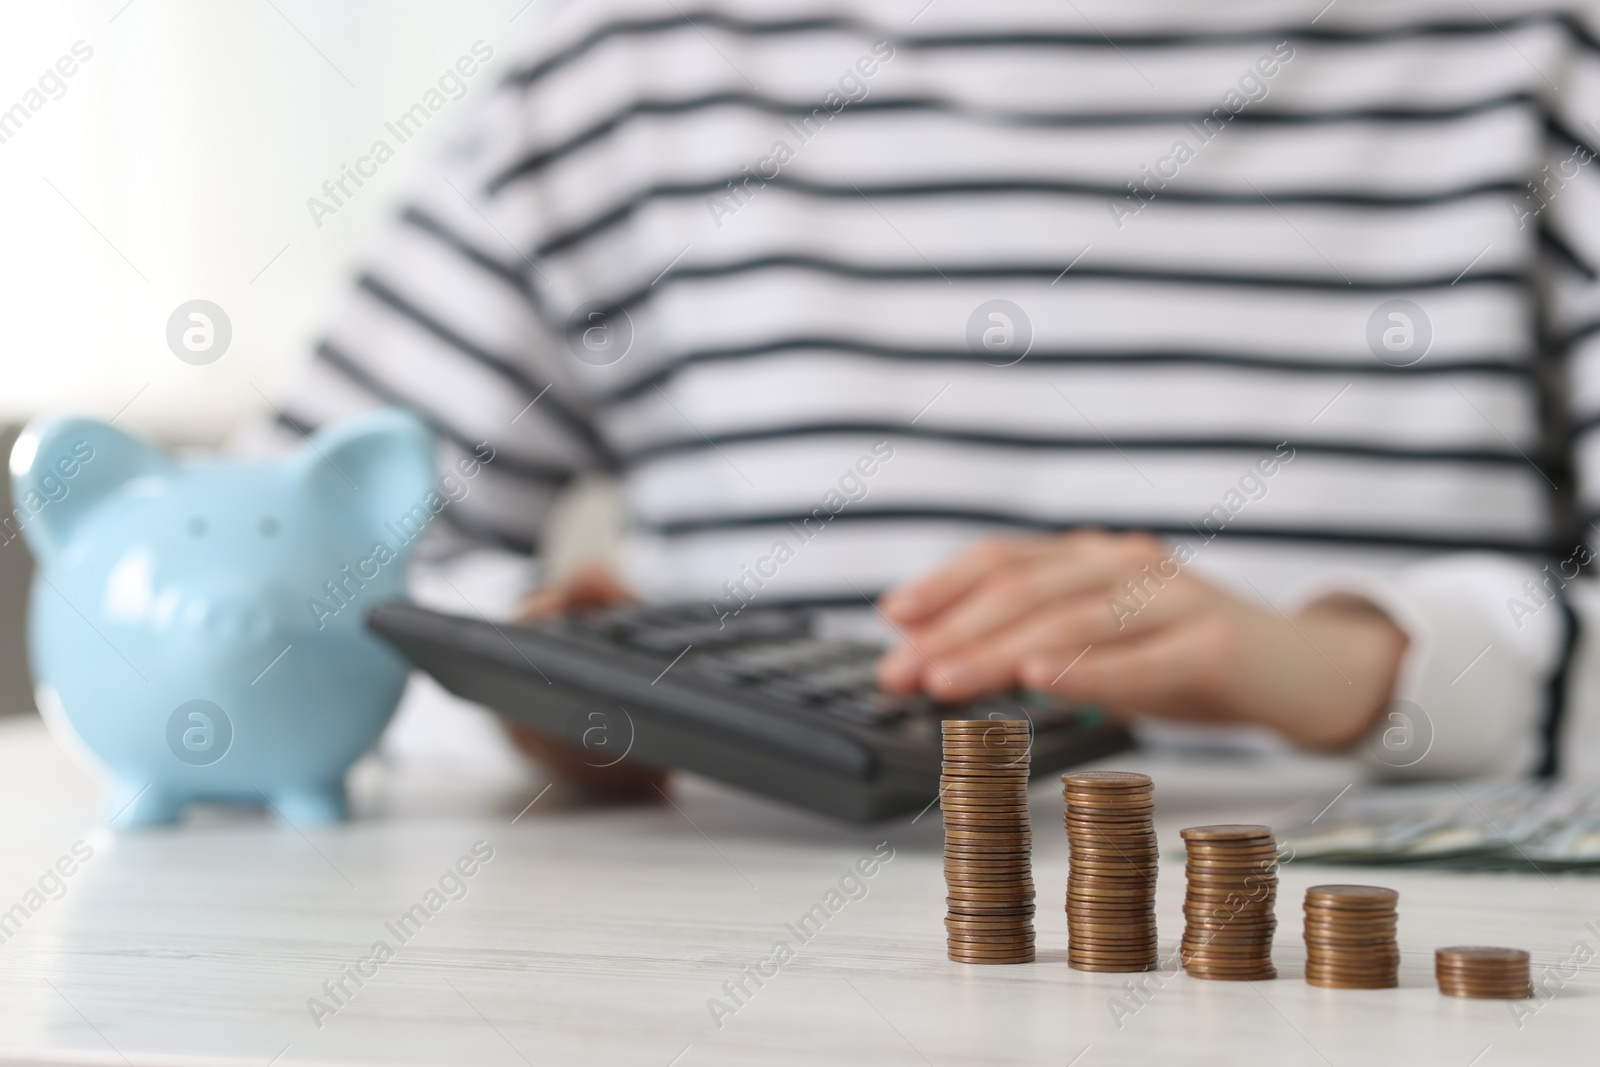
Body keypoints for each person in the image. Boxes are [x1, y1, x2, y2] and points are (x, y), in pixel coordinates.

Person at [271, 0, 1600, 796]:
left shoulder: (1544, 73)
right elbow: (275, 592)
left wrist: (1369, 674)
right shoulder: (625, 79)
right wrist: (538, 695)